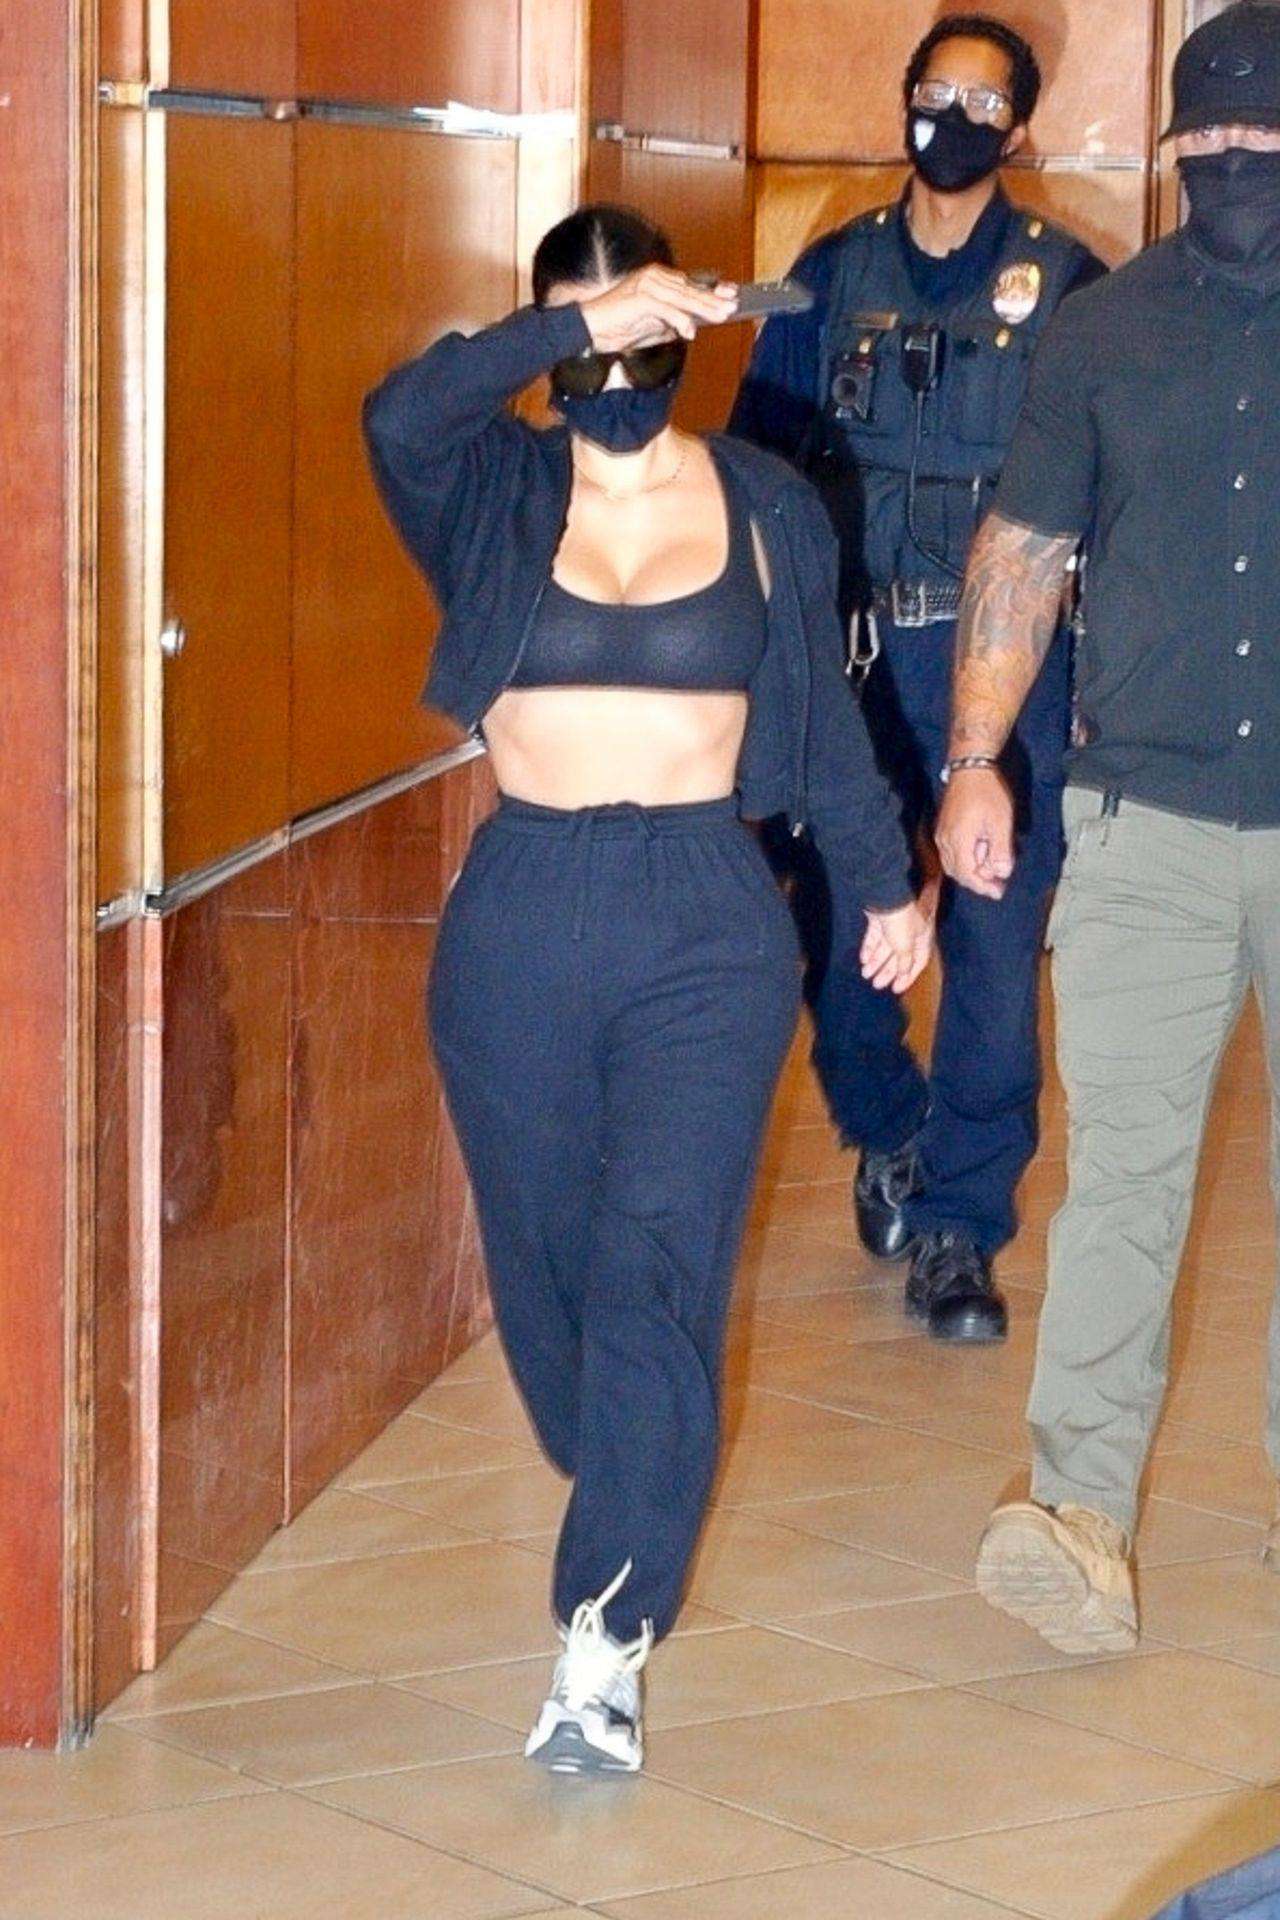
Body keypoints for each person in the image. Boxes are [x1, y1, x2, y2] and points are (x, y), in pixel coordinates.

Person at [362, 204, 930, 1774]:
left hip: (704, 923)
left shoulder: (764, 501)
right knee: (553, 1292)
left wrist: (886, 885)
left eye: (643, 333)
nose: (618, 368)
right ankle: (624, 1459)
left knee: (654, 1275)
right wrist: (575, 325)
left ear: (687, 332)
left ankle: (602, 1642)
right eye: (588, 338)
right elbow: (396, 414)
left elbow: (825, 723)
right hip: (521, 913)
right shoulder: (486, 485)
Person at [936, 0, 1280, 1653]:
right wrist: (973, 759)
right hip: (1144, 823)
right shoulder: (1101, 330)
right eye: (1211, 144)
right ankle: (1079, 1519)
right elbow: (1023, 554)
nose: (1235, 168)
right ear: (1173, 152)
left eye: (1263, 144)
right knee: (1124, 1182)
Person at [731, 13, 1105, 1344]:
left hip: (1009, 660)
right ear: (904, 102)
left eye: (983, 102)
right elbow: (755, 469)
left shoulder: (1071, 286)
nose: (953, 118)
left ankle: (959, 1228)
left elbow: (1110, 491)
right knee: (843, 941)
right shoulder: (830, 274)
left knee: (994, 953)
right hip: (852, 659)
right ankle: (890, 1127)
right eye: (935, 92)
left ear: (1021, 128)